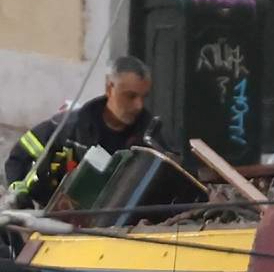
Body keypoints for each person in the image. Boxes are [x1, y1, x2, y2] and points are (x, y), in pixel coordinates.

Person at [5, 56, 164, 208]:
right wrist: (22, 200)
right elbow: (19, 158)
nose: (139, 106)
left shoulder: (150, 136)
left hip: (125, 228)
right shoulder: (69, 128)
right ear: (109, 88)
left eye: (144, 97)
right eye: (130, 96)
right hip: (63, 224)